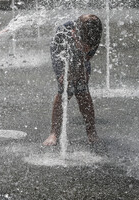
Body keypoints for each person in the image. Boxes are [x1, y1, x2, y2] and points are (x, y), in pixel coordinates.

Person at [43, 14, 102, 146]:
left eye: (88, 45)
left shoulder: (95, 32)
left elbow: (87, 55)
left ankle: (91, 132)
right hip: (62, 52)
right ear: (75, 33)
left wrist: (82, 69)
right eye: (84, 44)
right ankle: (54, 133)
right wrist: (65, 74)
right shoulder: (63, 35)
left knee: (82, 90)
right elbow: (59, 58)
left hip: (80, 54)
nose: (87, 47)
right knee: (65, 90)